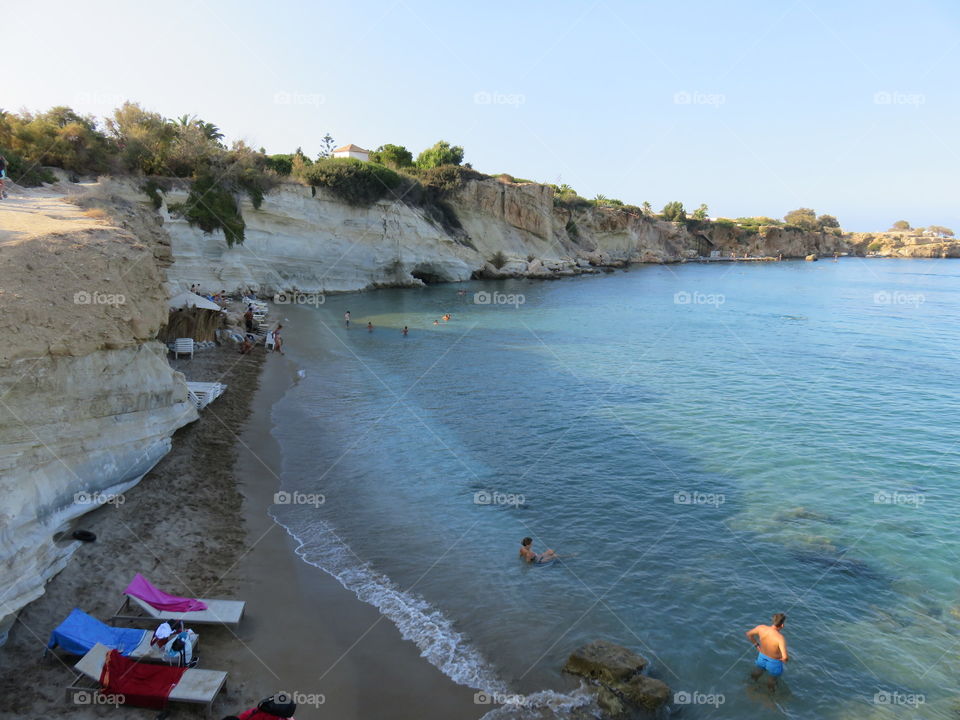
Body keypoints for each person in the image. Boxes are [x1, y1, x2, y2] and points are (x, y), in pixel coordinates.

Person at [746, 613, 789, 689]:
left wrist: (756, 645)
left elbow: (748, 634)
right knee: (772, 680)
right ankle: (769, 696)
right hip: (774, 662)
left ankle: (750, 685)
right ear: (782, 625)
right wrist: (784, 660)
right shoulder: (780, 638)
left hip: (761, 657)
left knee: (758, 671)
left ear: (773, 621)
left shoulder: (761, 628)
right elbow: (785, 657)